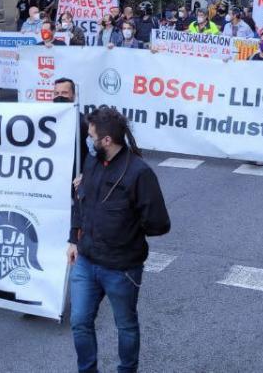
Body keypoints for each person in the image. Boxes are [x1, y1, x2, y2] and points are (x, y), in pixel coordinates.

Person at [69, 106, 171, 373]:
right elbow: (80, 202)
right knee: (79, 322)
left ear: (106, 141)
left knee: (125, 326)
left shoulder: (139, 173)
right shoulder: (92, 161)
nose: (88, 142)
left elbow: (159, 224)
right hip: (86, 261)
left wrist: (125, 227)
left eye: (91, 137)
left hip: (122, 268)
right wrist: (73, 238)